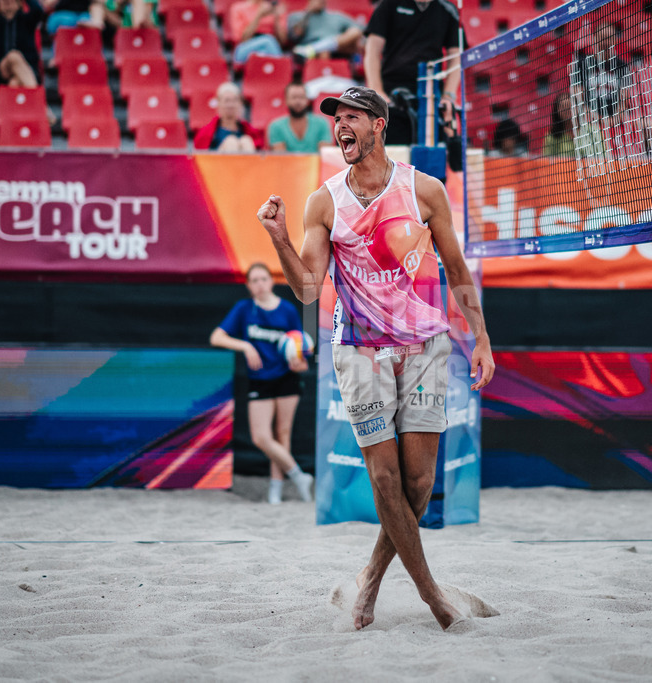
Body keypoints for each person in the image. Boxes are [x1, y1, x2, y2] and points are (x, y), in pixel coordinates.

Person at [255, 86, 494, 630]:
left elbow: (458, 272)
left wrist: (481, 338)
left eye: (353, 117)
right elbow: (310, 290)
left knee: (418, 484)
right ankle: (433, 594)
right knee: (384, 481)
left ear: (379, 125)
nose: (341, 125)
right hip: (359, 347)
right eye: (336, 119)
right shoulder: (324, 200)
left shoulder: (425, 189)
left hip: (425, 344)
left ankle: (370, 576)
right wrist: (279, 239)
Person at [209, 263, 315, 504]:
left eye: (262, 279)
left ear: (271, 281)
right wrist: (245, 346)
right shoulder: (244, 309)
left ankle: (275, 491)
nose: (259, 284)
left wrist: (300, 360)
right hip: (260, 380)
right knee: (261, 437)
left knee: (283, 433)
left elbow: (299, 344)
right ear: (248, 286)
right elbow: (216, 337)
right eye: (253, 280)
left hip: (286, 377)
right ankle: (299, 476)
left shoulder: (287, 310)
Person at [363, 0, 460, 145]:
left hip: (431, 97)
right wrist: (377, 91)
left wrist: (448, 96)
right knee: (393, 156)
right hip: (392, 96)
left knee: (433, 159)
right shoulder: (389, 5)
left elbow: (456, 57)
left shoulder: (448, 9)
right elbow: (372, 50)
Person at [0, 0, 45, 89]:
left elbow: (38, 10)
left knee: (14, 83)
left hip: (26, 69)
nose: (8, 3)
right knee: (13, 56)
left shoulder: (27, 21)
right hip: (2, 71)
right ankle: (37, 97)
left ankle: (32, 97)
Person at [193, 82, 266, 152]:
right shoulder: (208, 132)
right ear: (219, 103)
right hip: (217, 163)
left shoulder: (248, 130)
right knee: (231, 142)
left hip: (245, 162)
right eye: (227, 100)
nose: (230, 105)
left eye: (234, 100)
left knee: (246, 141)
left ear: (240, 103)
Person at [266, 81, 333, 152]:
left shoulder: (322, 123)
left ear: (307, 100)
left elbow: (325, 155)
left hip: (315, 163)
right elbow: (281, 158)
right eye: (294, 97)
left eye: (301, 97)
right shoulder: (276, 126)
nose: (298, 101)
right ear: (286, 100)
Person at [288, 0, 363, 60]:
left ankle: (317, 47)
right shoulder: (296, 16)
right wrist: (308, 12)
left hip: (337, 48)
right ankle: (319, 48)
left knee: (355, 32)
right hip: (311, 51)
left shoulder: (336, 16)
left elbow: (361, 28)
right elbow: (295, 35)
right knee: (324, 52)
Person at [227, 0, 288, 66]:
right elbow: (241, 39)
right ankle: (281, 67)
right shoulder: (238, 8)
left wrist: (277, 18)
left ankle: (279, 70)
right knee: (268, 40)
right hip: (245, 47)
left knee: (263, 53)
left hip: (268, 48)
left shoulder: (272, 8)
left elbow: (283, 41)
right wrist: (259, 15)